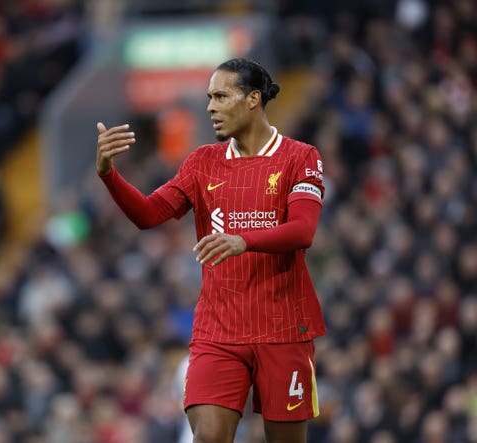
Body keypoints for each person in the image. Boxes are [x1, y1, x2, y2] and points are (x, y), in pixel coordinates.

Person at [96, 58, 326, 443]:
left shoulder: (300, 157)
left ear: (253, 99)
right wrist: (108, 173)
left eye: (221, 96)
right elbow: (150, 214)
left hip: (283, 327)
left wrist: (244, 240)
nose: (210, 107)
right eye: (209, 97)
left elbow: (303, 230)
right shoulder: (203, 163)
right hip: (219, 330)